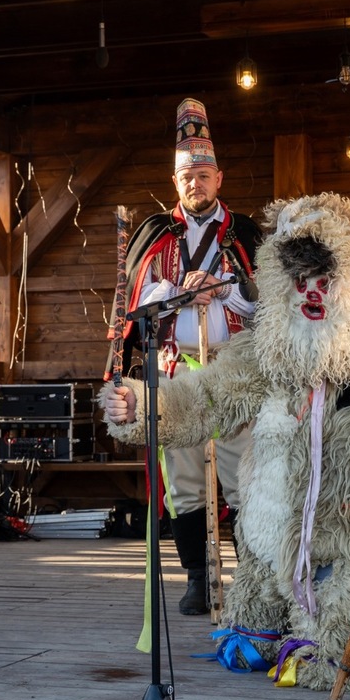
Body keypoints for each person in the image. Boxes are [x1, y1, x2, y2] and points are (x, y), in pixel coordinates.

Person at [103, 192, 350, 692]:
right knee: (246, 645)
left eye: (324, 281)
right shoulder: (264, 355)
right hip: (268, 545)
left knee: (334, 660)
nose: (311, 293)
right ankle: (285, 608)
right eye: (300, 280)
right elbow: (203, 399)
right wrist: (142, 406)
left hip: (346, 545)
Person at [108, 97, 261, 615]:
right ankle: (198, 577)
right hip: (177, 372)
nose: (193, 183)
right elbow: (138, 305)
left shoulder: (247, 234)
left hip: (237, 370)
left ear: (220, 177)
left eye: (202, 174)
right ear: (175, 181)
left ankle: (253, 579)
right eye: (184, 176)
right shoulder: (155, 233)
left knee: (247, 476)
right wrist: (177, 292)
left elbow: (267, 301)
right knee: (185, 479)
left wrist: (222, 288)